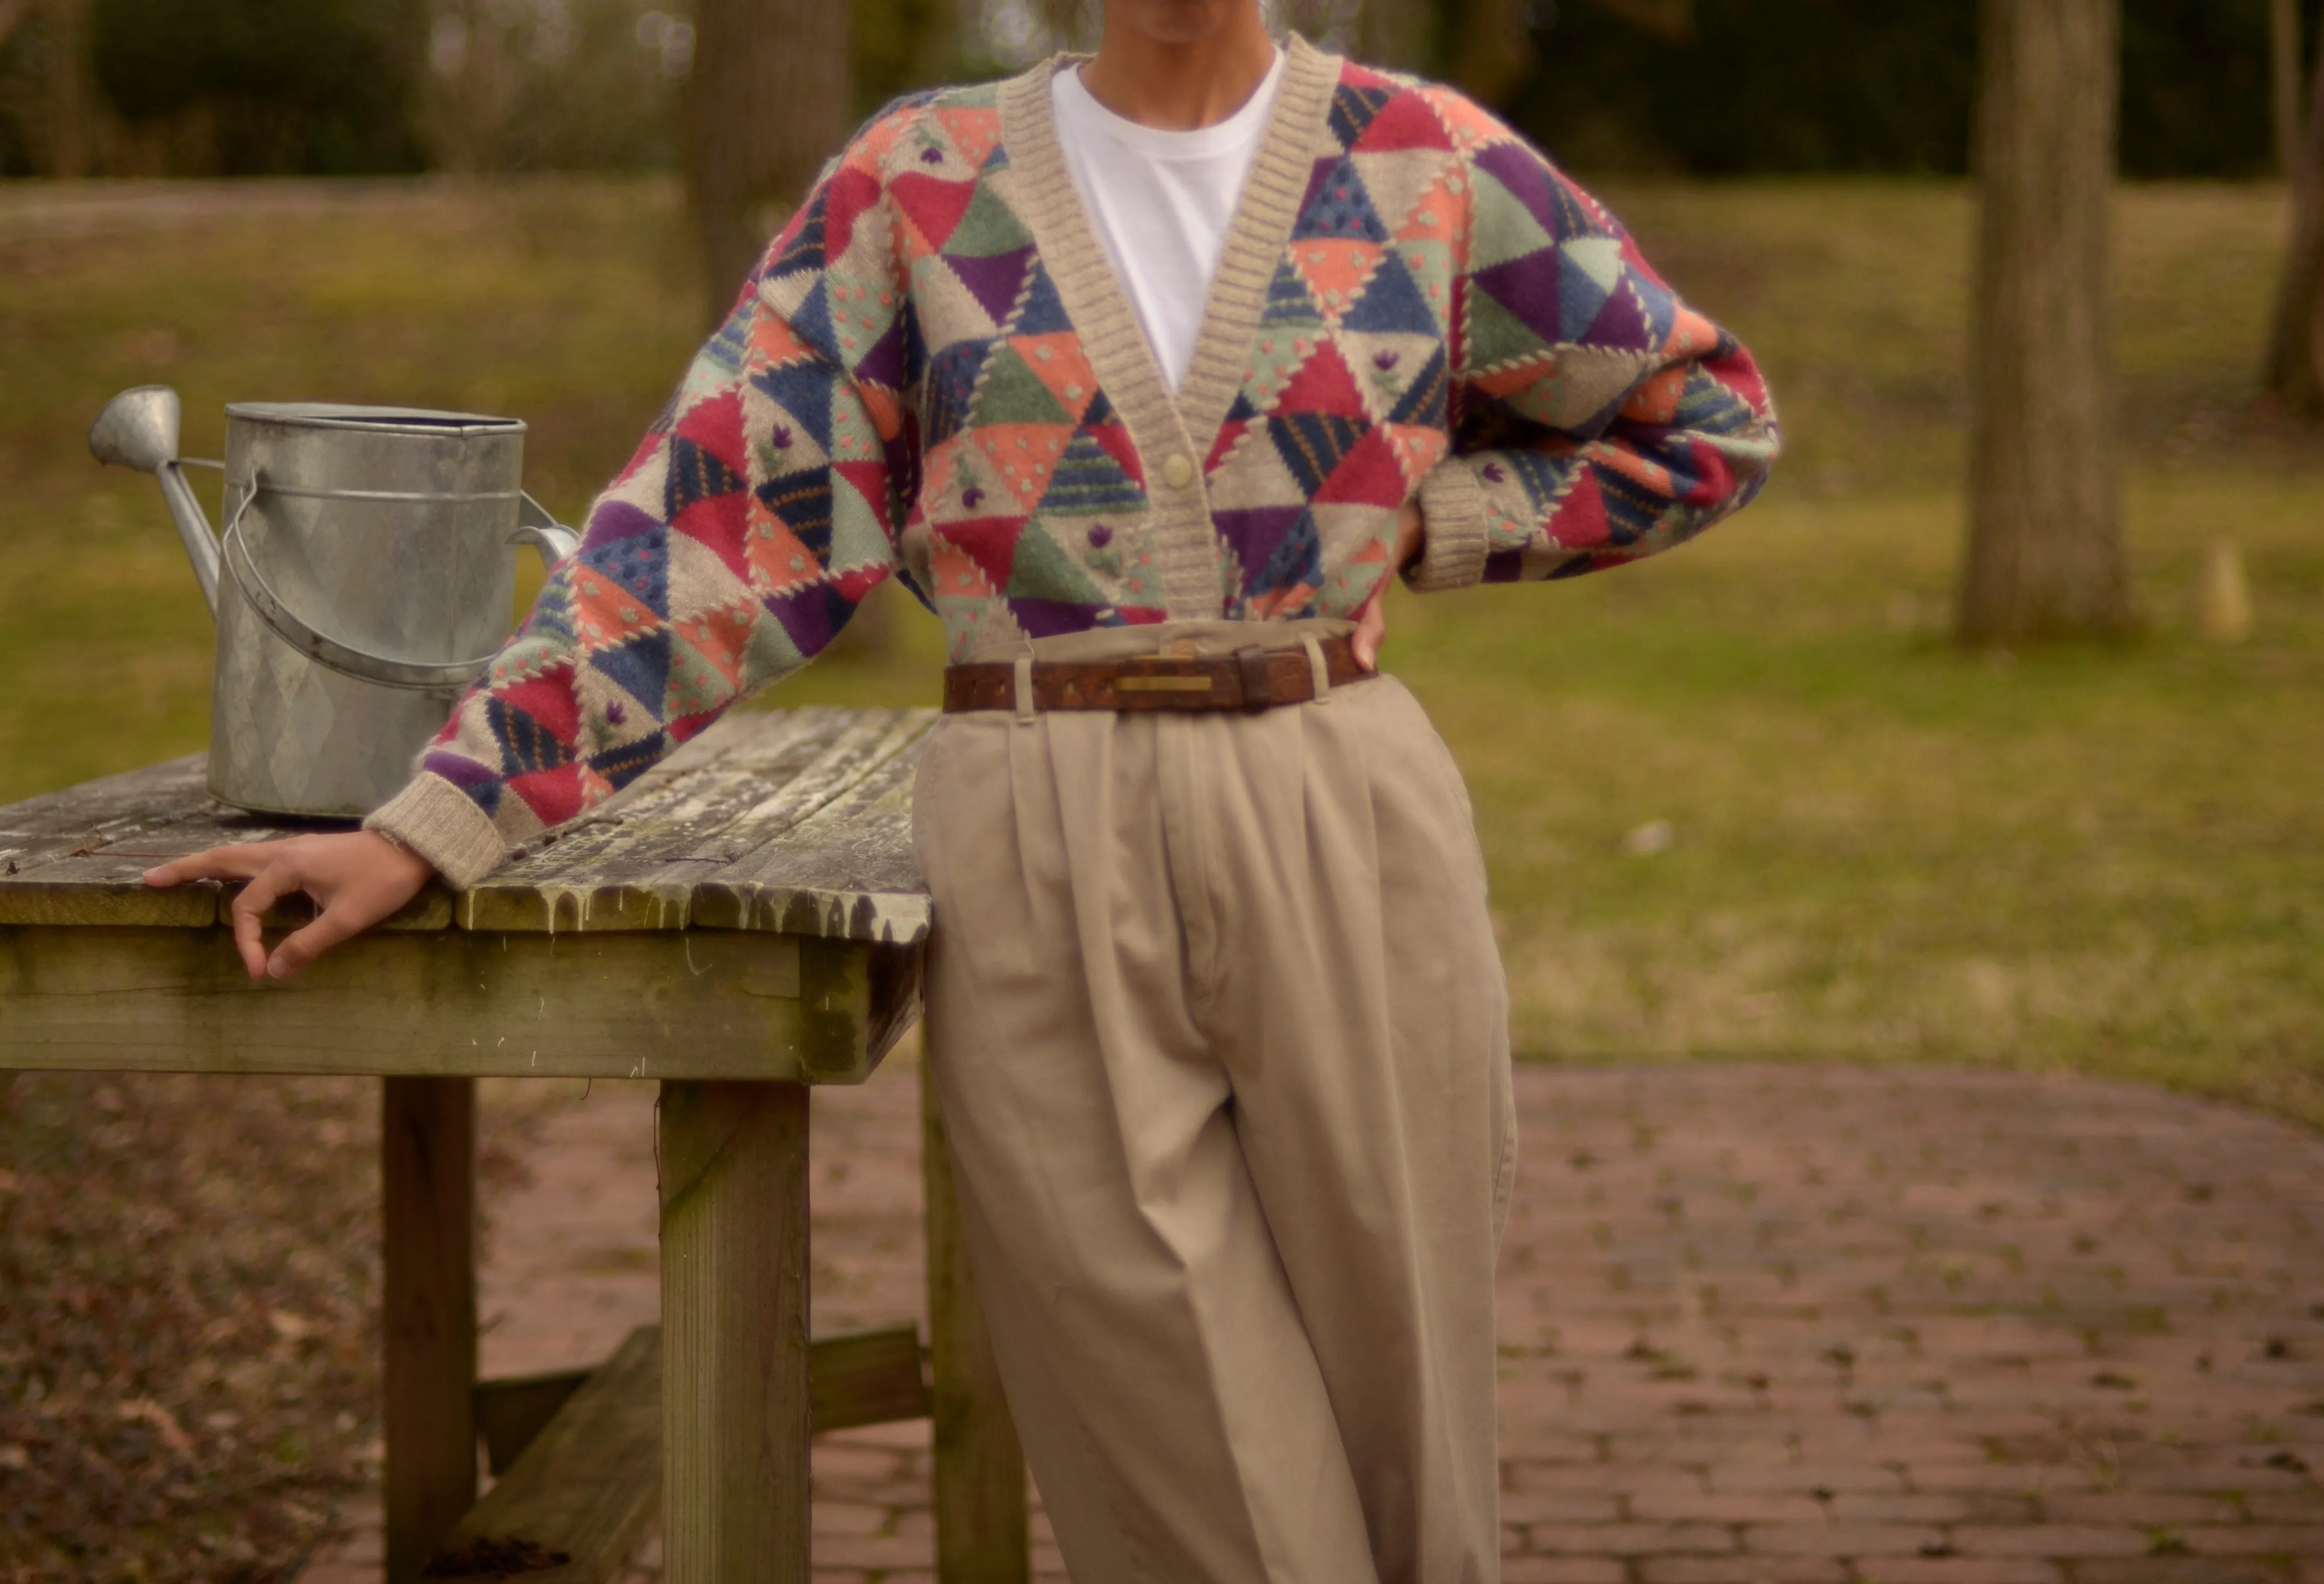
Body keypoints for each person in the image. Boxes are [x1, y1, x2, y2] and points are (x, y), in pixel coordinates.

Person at [148, 2, 1777, 1577]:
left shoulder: (1428, 159)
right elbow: (713, 529)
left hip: (1337, 798)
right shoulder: (917, 178)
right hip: (1032, 814)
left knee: (1406, 1435)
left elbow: (1706, 419)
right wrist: (433, 823)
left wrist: (1444, 520)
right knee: (1167, 1439)